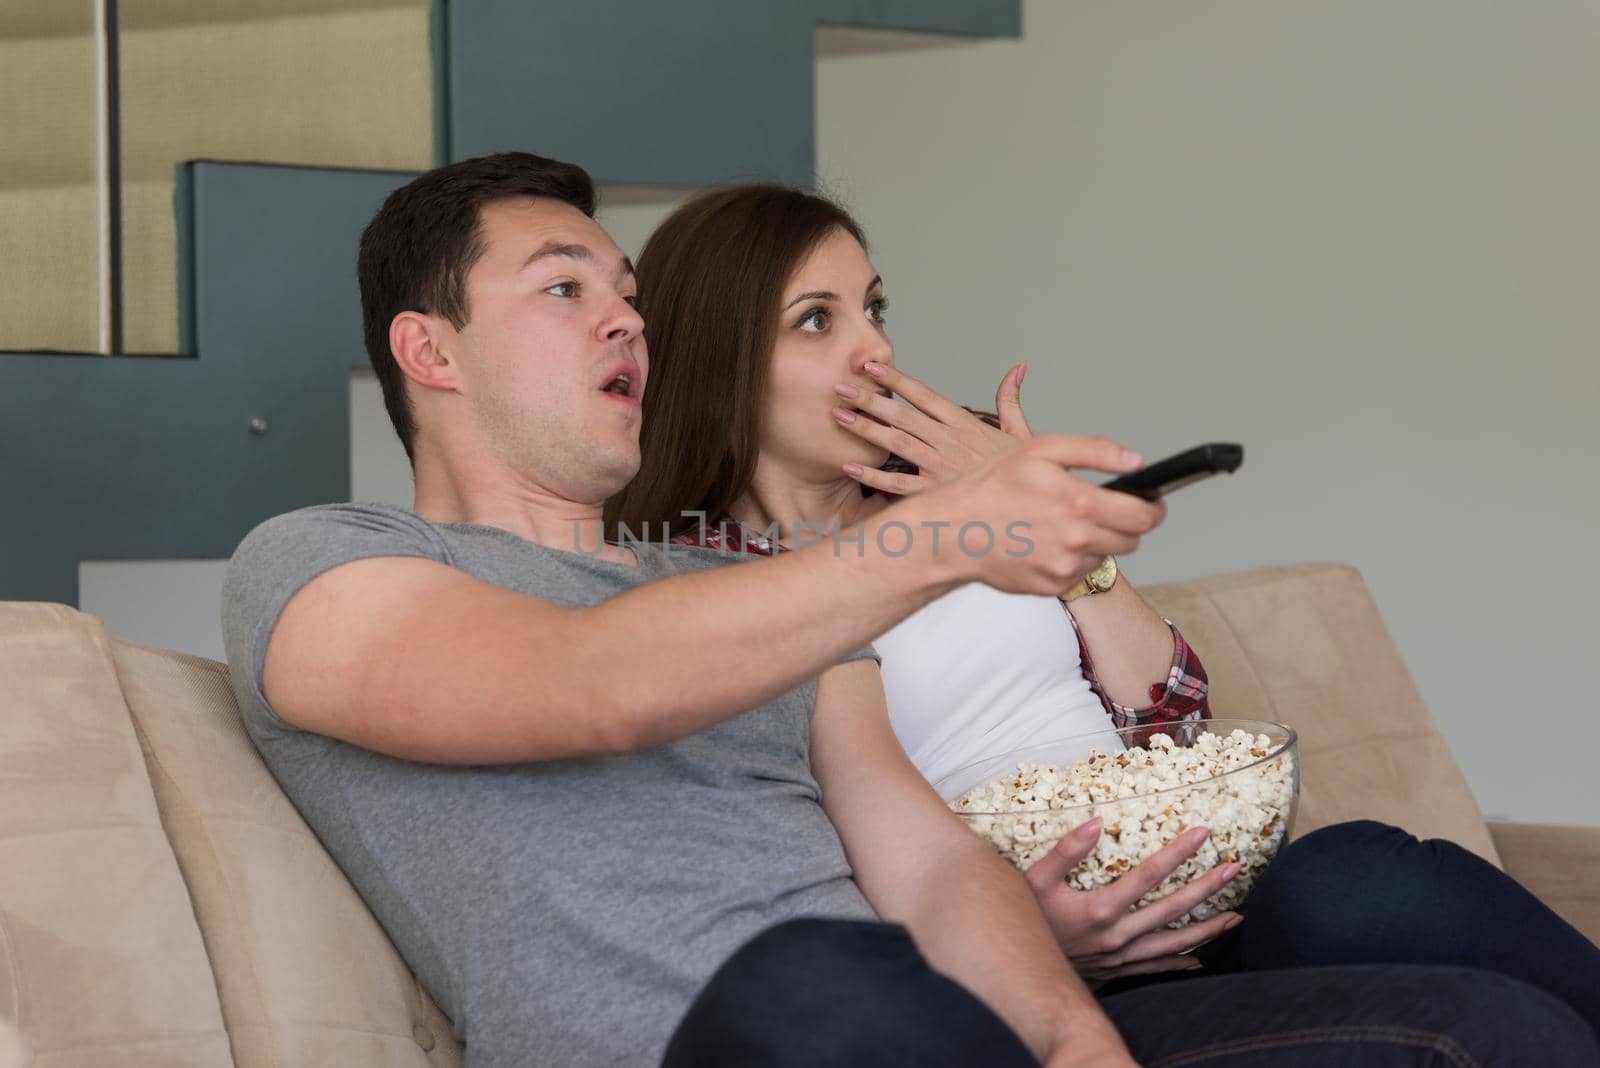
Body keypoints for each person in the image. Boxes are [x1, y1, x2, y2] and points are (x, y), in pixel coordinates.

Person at [220, 152, 1598, 1067]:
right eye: (567, 291)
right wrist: (957, 530)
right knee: (821, 982)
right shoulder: (321, 564)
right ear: (428, 349)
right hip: (735, 1037)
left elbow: (931, 867)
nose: (625, 322)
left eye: (630, 298)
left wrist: (1074, 1047)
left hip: (941, 1035)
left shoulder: (746, 598)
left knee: (1493, 1030)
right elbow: (596, 684)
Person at [610, 181, 1600, 1021]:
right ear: (716, 365)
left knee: (1358, 874)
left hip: (1210, 871)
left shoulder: (960, 480)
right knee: (1481, 1018)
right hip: (1063, 958)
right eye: (815, 321)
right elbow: (777, 856)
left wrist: (1053, 536)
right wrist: (1029, 941)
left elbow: (1177, 727)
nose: (872, 350)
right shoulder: (698, 588)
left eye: (874, 306)